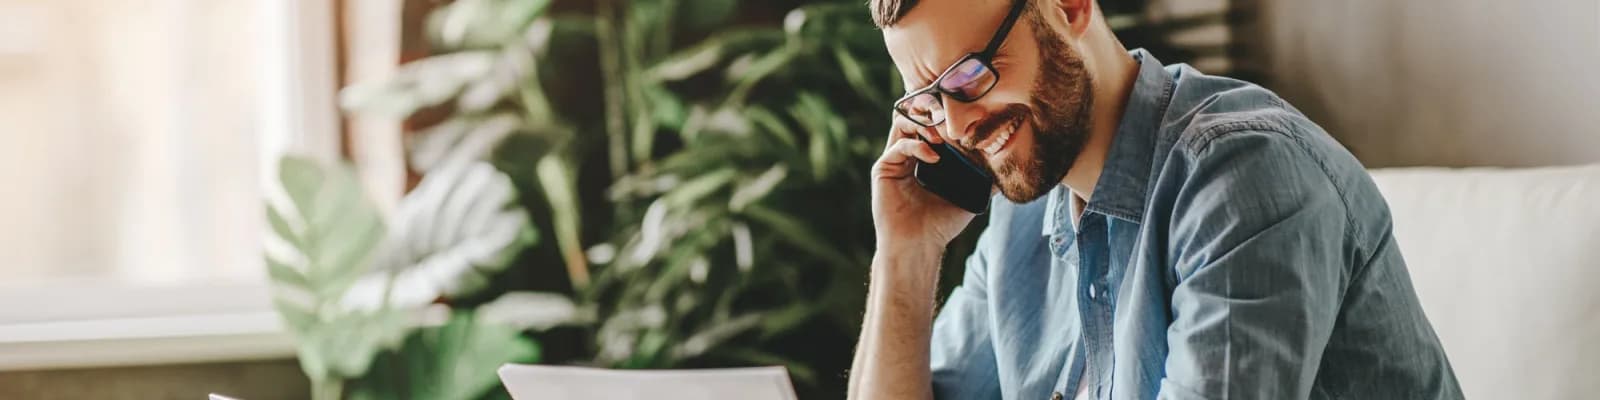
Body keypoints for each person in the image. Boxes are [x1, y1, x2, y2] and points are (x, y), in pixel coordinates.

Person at [848, 0, 1464, 398]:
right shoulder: (1025, 211)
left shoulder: (1242, 178)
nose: (956, 127)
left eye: (970, 74)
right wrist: (906, 254)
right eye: (929, 99)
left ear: (1068, 7)